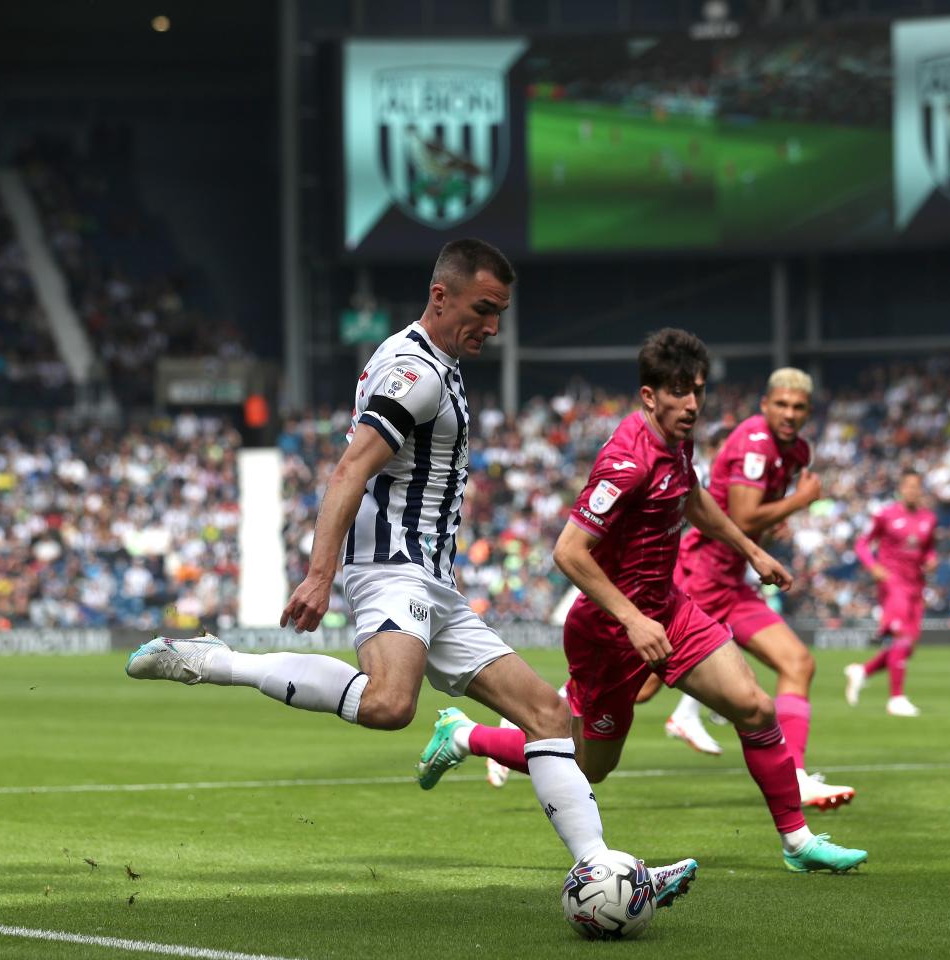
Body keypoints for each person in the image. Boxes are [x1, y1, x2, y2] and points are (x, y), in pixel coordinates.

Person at [124, 239, 697, 906]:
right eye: (483, 309)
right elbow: (351, 469)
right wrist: (320, 573)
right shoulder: (416, 372)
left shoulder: (436, 362)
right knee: (391, 704)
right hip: (391, 568)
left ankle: (603, 870)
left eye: (500, 313)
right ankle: (216, 661)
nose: (492, 326)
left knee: (549, 715)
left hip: (433, 580)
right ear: (440, 296)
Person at [417, 329, 867, 874]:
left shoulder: (678, 440)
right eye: (679, 391)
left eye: (698, 389)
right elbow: (568, 552)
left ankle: (798, 843)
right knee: (589, 766)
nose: (693, 403)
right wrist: (632, 620)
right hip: (608, 631)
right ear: (650, 396)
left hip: (669, 609)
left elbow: (692, 495)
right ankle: (465, 735)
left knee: (755, 706)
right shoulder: (626, 462)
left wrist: (750, 550)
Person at [653, 367, 854, 810]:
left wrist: (777, 515)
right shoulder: (754, 441)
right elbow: (744, 516)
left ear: (808, 412)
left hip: (732, 582)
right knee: (637, 685)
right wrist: (799, 502)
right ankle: (529, 729)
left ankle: (795, 777)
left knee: (798, 662)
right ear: (765, 405)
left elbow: (754, 510)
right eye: (781, 404)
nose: (789, 413)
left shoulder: (797, 451)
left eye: (798, 407)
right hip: (701, 577)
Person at [845, 470, 938, 717]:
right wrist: (872, 566)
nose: (912, 490)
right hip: (892, 581)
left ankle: (862, 671)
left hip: (916, 584)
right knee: (901, 637)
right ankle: (896, 699)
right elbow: (862, 543)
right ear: (901, 488)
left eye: (916, 486)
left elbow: (929, 549)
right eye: (908, 486)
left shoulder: (928, 518)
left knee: (908, 646)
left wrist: (931, 559)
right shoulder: (885, 515)